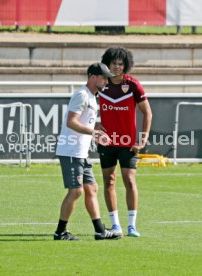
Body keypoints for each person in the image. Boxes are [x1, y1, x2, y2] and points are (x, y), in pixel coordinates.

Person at [54, 62, 122, 241]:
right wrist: (94, 132)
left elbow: (83, 121)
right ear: (93, 77)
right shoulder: (82, 95)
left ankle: (100, 231)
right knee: (76, 191)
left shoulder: (92, 97)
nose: (106, 81)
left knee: (92, 188)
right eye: (104, 77)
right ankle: (60, 232)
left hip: (81, 153)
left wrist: (97, 126)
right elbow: (71, 121)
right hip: (71, 151)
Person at [98, 47, 152, 237]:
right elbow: (85, 109)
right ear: (107, 63)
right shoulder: (100, 83)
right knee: (109, 181)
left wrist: (142, 139)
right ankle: (115, 225)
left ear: (126, 65)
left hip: (128, 143)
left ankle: (132, 226)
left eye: (121, 64)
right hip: (106, 143)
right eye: (114, 63)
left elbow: (147, 113)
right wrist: (96, 125)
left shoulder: (133, 85)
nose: (117, 67)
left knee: (129, 181)